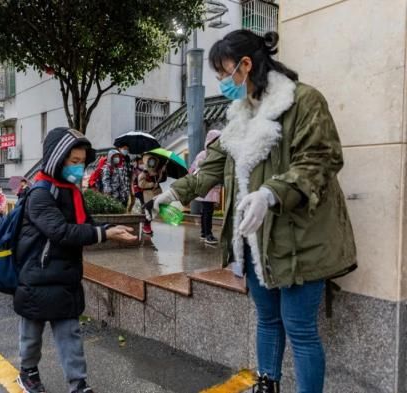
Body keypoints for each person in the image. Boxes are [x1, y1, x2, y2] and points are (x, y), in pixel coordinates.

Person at [152, 30, 356, 393]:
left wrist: (270, 194)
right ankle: (268, 383)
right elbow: (212, 167)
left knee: (300, 328)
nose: (221, 82)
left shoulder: (303, 101)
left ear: (245, 65)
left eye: (222, 73)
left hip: (301, 241)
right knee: (267, 319)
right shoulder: (239, 116)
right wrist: (172, 194)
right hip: (254, 242)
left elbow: (322, 159)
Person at [14, 127, 136, 393]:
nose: (80, 169)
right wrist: (104, 233)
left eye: (82, 162)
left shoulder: (72, 191)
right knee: (31, 335)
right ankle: (28, 372)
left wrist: (110, 230)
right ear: (57, 160)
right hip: (37, 275)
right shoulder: (40, 194)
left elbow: (86, 225)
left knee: (70, 334)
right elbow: (60, 231)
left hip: (66, 275)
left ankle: (78, 384)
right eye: (74, 162)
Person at [189, 130, 222, 245]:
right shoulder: (204, 154)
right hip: (207, 188)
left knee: (205, 211)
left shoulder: (207, 154)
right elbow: (195, 168)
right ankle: (208, 234)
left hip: (211, 188)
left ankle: (204, 233)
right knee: (208, 211)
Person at [138, 154, 167, 235]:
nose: (152, 163)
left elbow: (162, 179)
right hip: (148, 194)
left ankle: (147, 225)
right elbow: (141, 183)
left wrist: (163, 172)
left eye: (154, 161)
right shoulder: (145, 172)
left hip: (156, 193)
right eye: (150, 161)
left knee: (153, 210)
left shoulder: (156, 172)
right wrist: (151, 184)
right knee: (149, 210)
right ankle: (146, 226)